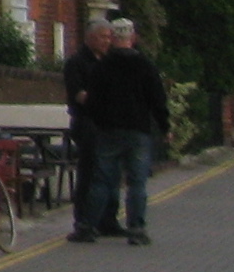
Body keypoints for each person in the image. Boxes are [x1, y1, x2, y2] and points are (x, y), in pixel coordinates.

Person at [69, 17, 169, 246]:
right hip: (138, 131)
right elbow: (158, 99)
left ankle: (87, 227)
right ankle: (136, 230)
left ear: (113, 38)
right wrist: (164, 127)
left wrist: (100, 121)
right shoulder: (145, 65)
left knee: (101, 181)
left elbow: (93, 101)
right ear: (133, 38)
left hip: (108, 131)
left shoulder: (102, 66)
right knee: (137, 183)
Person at [63, 21, 123, 237]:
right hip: (87, 123)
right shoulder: (76, 63)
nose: (107, 41)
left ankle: (108, 220)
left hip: (109, 124)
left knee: (112, 173)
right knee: (89, 173)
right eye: (103, 37)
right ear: (90, 38)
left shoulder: (110, 62)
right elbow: (79, 95)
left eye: (109, 37)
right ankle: (83, 222)